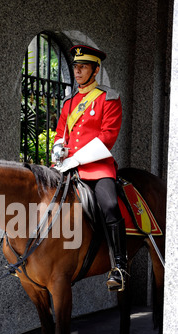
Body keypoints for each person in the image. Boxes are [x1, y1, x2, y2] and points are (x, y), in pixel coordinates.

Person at [52, 44, 127, 291]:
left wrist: (79, 159)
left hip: (97, 168)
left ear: (95, 70)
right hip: (67, 168)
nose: (78, 71)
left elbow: (107, 137)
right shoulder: (69, 102)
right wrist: (58, 150)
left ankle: (119, 266)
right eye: (75, 66)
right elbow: (61, 134)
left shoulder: (109, 98)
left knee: (110, 206)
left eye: (83, 67)